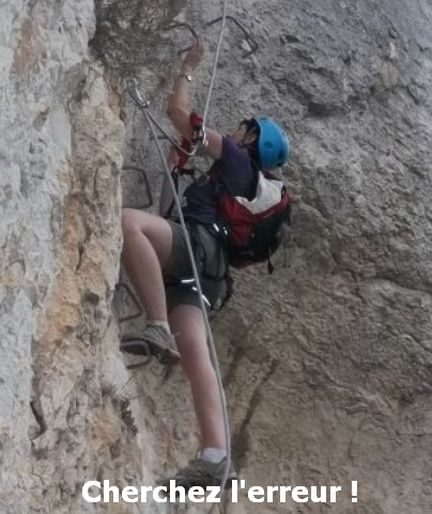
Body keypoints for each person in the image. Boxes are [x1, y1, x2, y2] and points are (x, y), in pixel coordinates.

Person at [120, 37, 290, 488]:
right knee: (197, 354)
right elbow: (178, 181)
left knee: (128, 225)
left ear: (252, 140)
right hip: (209, 274)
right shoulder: (246, 185)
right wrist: (181, 163)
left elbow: (180, 113)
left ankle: (155, 324)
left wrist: (189, 69)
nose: (235, 130)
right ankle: (215, 454)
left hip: (194, 249)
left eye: (242, 128)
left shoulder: (238, 161)